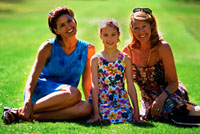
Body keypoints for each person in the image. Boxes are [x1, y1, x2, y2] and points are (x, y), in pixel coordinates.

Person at [2, 6, 95, 124]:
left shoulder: (88, 49)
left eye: (69, 21)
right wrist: (27, 101)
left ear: (74, 21)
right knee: (75, 93)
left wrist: (93, 110)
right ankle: (27, 108)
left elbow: (87, 82)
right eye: (62, 25)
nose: (68, 26)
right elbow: (32, 77)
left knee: (86, 108)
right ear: (56, 31)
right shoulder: (48, 47)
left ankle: (21, 114)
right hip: (42, 94)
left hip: (66, 98)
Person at [123, 8, 200, 125]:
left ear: (151, 26)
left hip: (170, 92)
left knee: (169, 111)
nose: (140, 32)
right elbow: (123, 83)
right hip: (148, 98)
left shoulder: (163, 47)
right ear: (131, 30)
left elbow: (173, 82)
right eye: (136, 28)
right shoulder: (128, 51)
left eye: (144, 26)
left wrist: (160, 99)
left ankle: (187, 109)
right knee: (153, 116)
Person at [87, 18, 142, 124]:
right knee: (105, 115)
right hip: (102, 99)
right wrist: (96, 113)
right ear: (100, 36)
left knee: (127, 114)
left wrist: (136, 112)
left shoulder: (125, 59)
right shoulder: (96, 59)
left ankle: (126, 113)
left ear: (118, 35)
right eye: (106, 35)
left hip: (120, 99)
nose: (110, 38)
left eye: (113, 34)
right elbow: (94, 86)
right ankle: (99, 113)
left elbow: (130, 85)